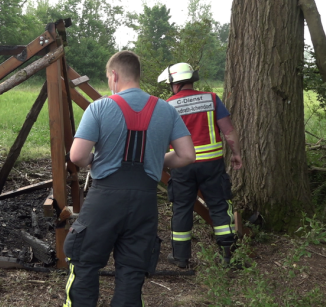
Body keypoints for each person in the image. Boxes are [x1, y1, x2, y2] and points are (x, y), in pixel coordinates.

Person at [62, 51, 195, 307]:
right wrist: (156, 162)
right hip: (144, 200)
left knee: (85, 262)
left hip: (105, 198)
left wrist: (92, 161)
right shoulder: (166, 109)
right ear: (137, 74)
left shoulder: (99, 107)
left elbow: (77, 156)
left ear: (114, 75)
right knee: (133, 269)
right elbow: (187, 155)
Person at [157, 62, 243, 268]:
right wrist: (236, 153)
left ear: (174, 83)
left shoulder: (167, 105)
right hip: (212, 165)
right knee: (219, 206)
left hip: (181, 165)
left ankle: (180, 258)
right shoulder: (212, 98)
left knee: (181, 208)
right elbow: (228, 130)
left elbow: (160, 138)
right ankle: (227, 256)